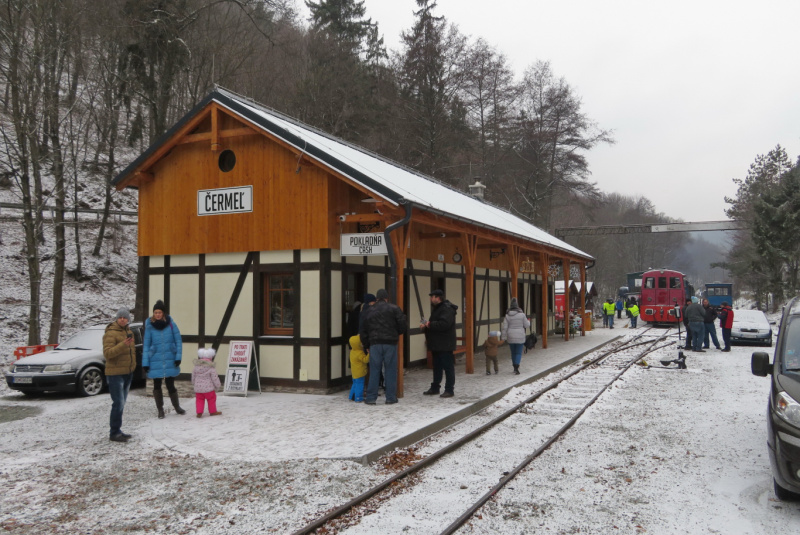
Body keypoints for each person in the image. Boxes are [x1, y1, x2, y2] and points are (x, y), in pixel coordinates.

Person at [359, 288, 407, 405]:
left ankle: (371, 398)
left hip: (374, 344)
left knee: (375, 370)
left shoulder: (369, 310)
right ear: (386, 298)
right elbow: (403, 326)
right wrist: (395, 334)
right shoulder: (395, 309)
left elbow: (363, 330)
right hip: (390, 343)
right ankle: (391, 397)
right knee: (390, 370)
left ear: (376, 298)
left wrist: (366, 344)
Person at [142, 300, 186, 419]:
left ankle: (177, 407)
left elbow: (178, 342)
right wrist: (145, 362)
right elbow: (146, 345)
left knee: (170, 384)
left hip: (170, 358)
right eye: (155, 312)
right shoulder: (150, 327)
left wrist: (178, 357)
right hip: (155, 359)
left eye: (159, 312)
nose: (157, 314)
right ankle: (160, 410)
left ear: (163, 313)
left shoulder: (172, 325)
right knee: (157, 385)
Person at [103, 307, 137, 443]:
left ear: (128, 319)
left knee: (122, 404)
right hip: (115, 373)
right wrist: (123, 345)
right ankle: (114, 432)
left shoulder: (129, 332)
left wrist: (133, 366)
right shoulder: (110, 333)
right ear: (117, 319)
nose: (122, 319)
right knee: (118, 403)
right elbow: (108, 353)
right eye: (120, 317)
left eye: (125, 317)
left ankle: (118, 430)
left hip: (127, 372)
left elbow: (132, 352)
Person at [421, 289, 458, 398]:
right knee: (436, 367)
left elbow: (444, 324)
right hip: (437, 344)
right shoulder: (438, 308)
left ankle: (449, 390)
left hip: (445, 344)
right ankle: (435, 387)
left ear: (438, 298)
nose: (430, 299)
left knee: (448, 367)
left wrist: (429, 324)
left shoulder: (446, 309)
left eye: (432, 297)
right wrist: (427, 326)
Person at [501, 297, 531, 375]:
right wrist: (528, 321)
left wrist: (503, 337)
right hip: (520, 336)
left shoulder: (507, 315)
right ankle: (516, 366)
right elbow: (527, 325)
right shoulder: (522, 315)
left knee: (513, 352)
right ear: (517, 306)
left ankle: (514, 366)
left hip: (510, 336)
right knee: (518, 352)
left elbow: (504, 327)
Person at [192, 348, 221, 417]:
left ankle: (199, 412)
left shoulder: (196, 367)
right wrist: (218, 385)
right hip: (209, 389)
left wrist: (194, 383)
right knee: (211, 399)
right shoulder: (211, 368)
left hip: (198, 389)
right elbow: (215, 378)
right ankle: (212, 411)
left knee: (199, 400)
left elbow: (193, 376)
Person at [348, 334, 369, 402]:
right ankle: (358, 398)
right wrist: (369, 354)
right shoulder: (360, 353)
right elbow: (365, 360)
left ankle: (351, 396)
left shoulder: (352, 352)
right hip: (360, 372)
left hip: (354, 372)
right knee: (360, 385)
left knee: (354, 384)